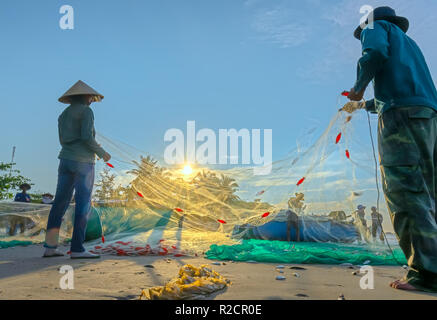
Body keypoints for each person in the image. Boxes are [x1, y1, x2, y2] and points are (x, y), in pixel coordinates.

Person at [344, 7, 437, 291]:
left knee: (405, 191)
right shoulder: (409, 45)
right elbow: (398, 93)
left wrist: (358, 88)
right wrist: (362, 105)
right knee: (428, 193)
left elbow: (373, 54)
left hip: (401, 119)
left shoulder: (375, 27)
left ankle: (426, 275)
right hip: (427, 117)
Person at [43, 80, 111, 259]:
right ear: (85, 96)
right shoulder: (87, 111)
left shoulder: (63, 115)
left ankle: (50, 247)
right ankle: (77, 249)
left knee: (59, 204)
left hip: (65, 160)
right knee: (83, 205)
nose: (91, 100)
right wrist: (102, 153)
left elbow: (63, 140)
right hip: (83, 163)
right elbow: (87, 137)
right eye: (90, 97)